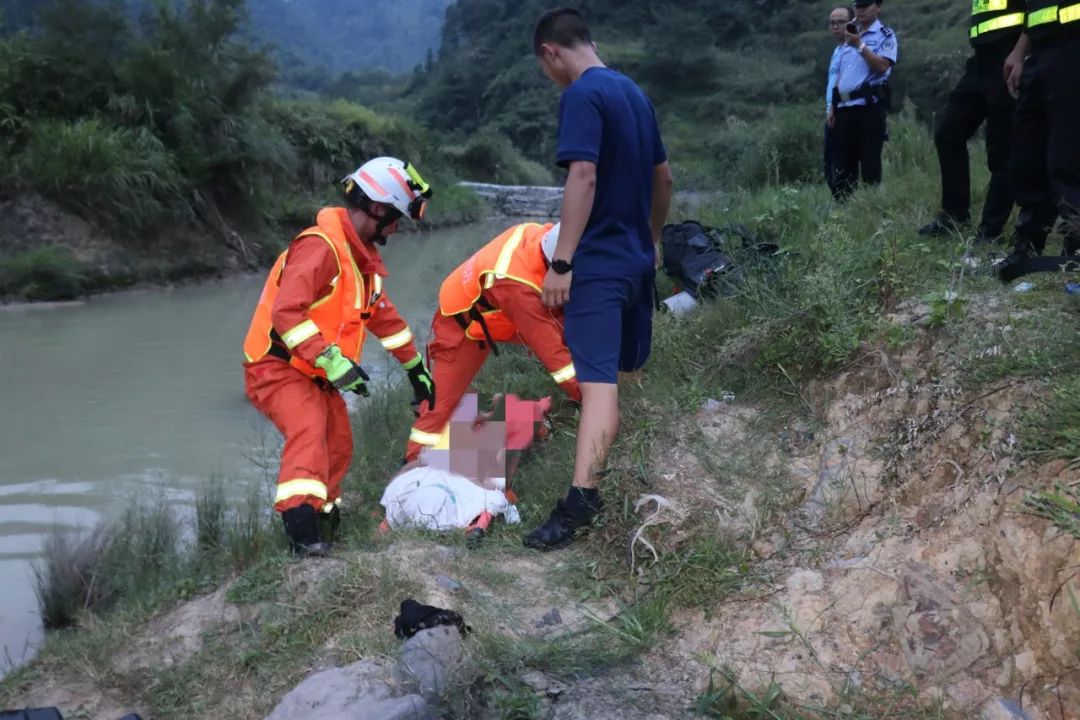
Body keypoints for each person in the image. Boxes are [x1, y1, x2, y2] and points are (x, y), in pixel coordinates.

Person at [528, 7, 673, 550]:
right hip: (637, 263)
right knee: (625, 374)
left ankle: (581, 501)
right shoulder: (635, 94)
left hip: (600, 268)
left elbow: (582, 175)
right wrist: (653, 240)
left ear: (551, 52)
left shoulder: (582, 96)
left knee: (597, 386)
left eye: (547, 67)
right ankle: (627, 468)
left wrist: (562, 262)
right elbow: (664, 177)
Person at [242, 156, 436, 557]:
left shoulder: (362, 263)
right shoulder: (320, 247)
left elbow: (384, 318)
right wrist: (332, 361)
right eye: (396, 217)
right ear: (378, 209)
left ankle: (325, 520)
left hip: (314, 370)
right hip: (276, 366)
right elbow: (286, 313)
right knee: (310, 429)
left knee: (339, 443)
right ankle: (301, 528)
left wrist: (415, 367)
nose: (398, 227)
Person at [405, 221, 582, 464]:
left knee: (575, 333)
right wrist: (595, 400)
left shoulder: (545, 237)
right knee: (439, 408)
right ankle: (413, 468)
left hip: (489, 309)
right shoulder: (519, 290)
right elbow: (560, 367)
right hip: (459, 327)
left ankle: (528, 425)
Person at [918, 0, 1026, 242]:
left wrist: (1020, 54)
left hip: (1009, 57)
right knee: (948, 134)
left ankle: (990, 230)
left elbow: (1037, 11)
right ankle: (954, 215)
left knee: (1001, 152)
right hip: (980, 61)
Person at [995, 1, 1080, 282]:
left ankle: (1075, 243)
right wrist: (1020, 52)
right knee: (1026, 152)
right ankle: (1029, 243)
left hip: (1074, 45)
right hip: (1041, 52)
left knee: (1067, 153)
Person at [830, 0, 898, 199]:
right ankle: (843, 211)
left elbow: (882, 66)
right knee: (842, 164)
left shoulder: (885, 35)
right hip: (844, 107)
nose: (861, 10)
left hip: (869, 107)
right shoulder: (848, 34)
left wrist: (860, 45)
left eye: (866, 5)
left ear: (878, 6)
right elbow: (840, 72)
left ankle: (871, 208)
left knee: (869, 163)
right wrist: (833, 105)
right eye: (858, 5)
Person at [826, 5, 856, 198]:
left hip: (844, 112)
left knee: (842, 167)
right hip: (831, 112)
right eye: (832, 23)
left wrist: (835, 109)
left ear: (851, 23)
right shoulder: (837, 51)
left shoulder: (852, 50)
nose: (836, 26)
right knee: (829, 167)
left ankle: (849, 205)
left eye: (841, 22)